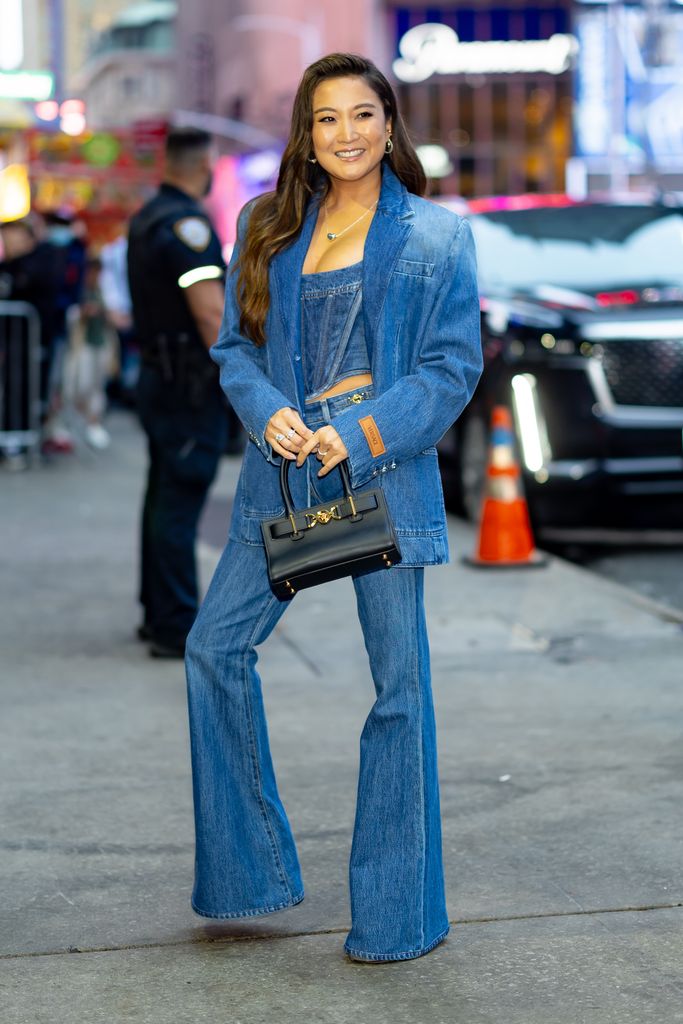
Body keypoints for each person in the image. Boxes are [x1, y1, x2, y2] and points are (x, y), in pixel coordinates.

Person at [185, 54, 482, 962]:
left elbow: (450, 366)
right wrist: (265, 409)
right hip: (280, 479)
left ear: (389, 126)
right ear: (306, 137)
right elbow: (235, 346)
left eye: (362, 114)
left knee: (399, 689)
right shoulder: (266, 226)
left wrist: (358, 433)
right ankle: (252, 873)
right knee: (212, 648)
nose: (345, 133)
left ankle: (398, 916)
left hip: (378, 480)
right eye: (326, 119)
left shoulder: (435, 236)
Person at [128, 127, 228, 658]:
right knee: (179, 502)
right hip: (187, 385)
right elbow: (210, 311)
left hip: (157, 378)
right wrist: (238, 377)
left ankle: (158, 612)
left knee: (162, 496)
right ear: (203, 165)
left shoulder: (148, 217)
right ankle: (173, 625)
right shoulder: (187, 225)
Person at [67, 256, 116, 450]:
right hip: (82, 346)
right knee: (80, 384)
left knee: (96, 386)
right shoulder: (80, 290)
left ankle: (93, 423)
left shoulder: (103, 292)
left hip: (100, 344)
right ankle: (79, 421)